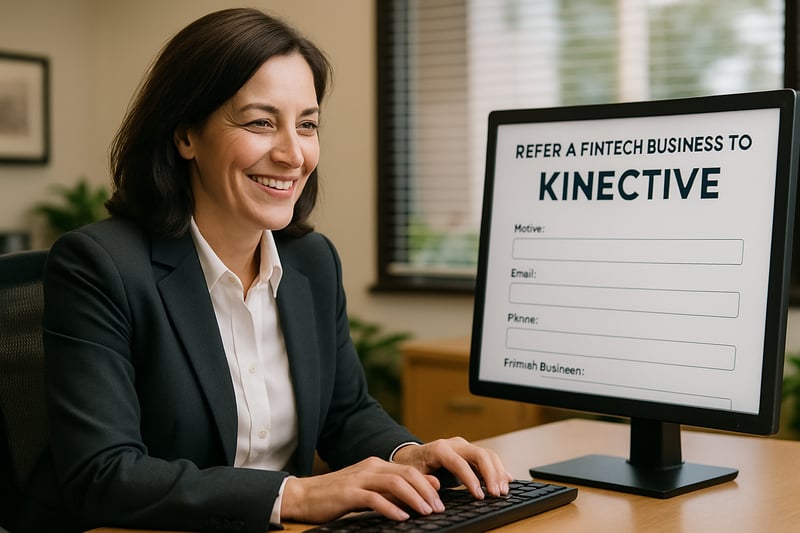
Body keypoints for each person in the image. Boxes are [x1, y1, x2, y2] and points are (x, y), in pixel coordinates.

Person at [17, 7, 512, 533]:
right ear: (186, 135)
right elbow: (105, 475)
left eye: (307, 125)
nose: (293, 154)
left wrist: (406, 453)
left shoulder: (311, 261)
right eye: (260, 122)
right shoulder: (100, 266)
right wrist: (294, 495)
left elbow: (345, 414)